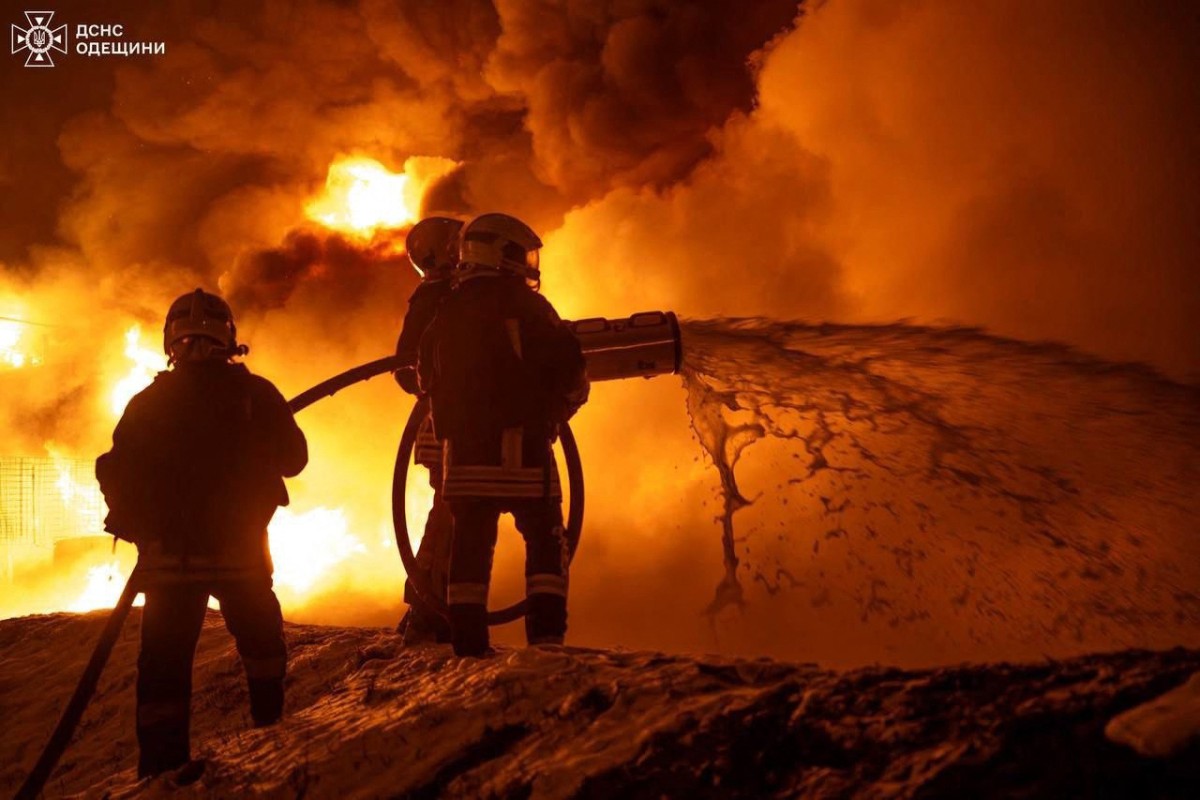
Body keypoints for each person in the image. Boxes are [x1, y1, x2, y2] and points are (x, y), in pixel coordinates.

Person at [96, 289, 307, 778]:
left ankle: (161, 769)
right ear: (229, 339)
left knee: (164, 666)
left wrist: (132, 523)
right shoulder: (256, 394)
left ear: (171, 342)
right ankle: (271, 731)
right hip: (241, 554)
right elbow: (294, 460)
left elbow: (115, 470)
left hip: (170, 562)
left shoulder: (148, 401)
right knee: (261, 645)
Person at [417, 213, 589, 657]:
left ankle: (468, 645)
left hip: (462, 463)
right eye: (522, 254)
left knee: (469, 552)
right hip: (522, 455)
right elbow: (570, 369)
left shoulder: (447, 311)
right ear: (502, 254)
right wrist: (556, 411)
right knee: (546, 542)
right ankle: (546, 642)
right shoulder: (529, 308)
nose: (529, 265)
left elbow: (424, 376)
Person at [393, 216, 461, 645]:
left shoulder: (461, 295)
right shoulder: (434, 298)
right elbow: (404, 368)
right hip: (442, 425)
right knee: (451, 514)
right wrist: (442, 383)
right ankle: (428, 609)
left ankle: (432, 606)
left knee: (453, 513)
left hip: (457, 421)